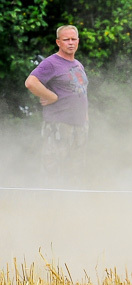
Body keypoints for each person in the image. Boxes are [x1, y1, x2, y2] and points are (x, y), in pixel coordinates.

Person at [25, 25, 89, 179]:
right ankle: (50, 195)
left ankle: (72, 195)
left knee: (75, 172)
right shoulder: (51, 63)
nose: (70, 43)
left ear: (78, 41)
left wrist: (86, 119)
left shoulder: (78, 64)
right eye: (66, 39)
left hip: (79, 126)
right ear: (58, 42)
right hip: (58, 125)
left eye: (73, 39)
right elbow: (31, 82)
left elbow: (81, 92)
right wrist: (51, 96)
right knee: (53, 171)